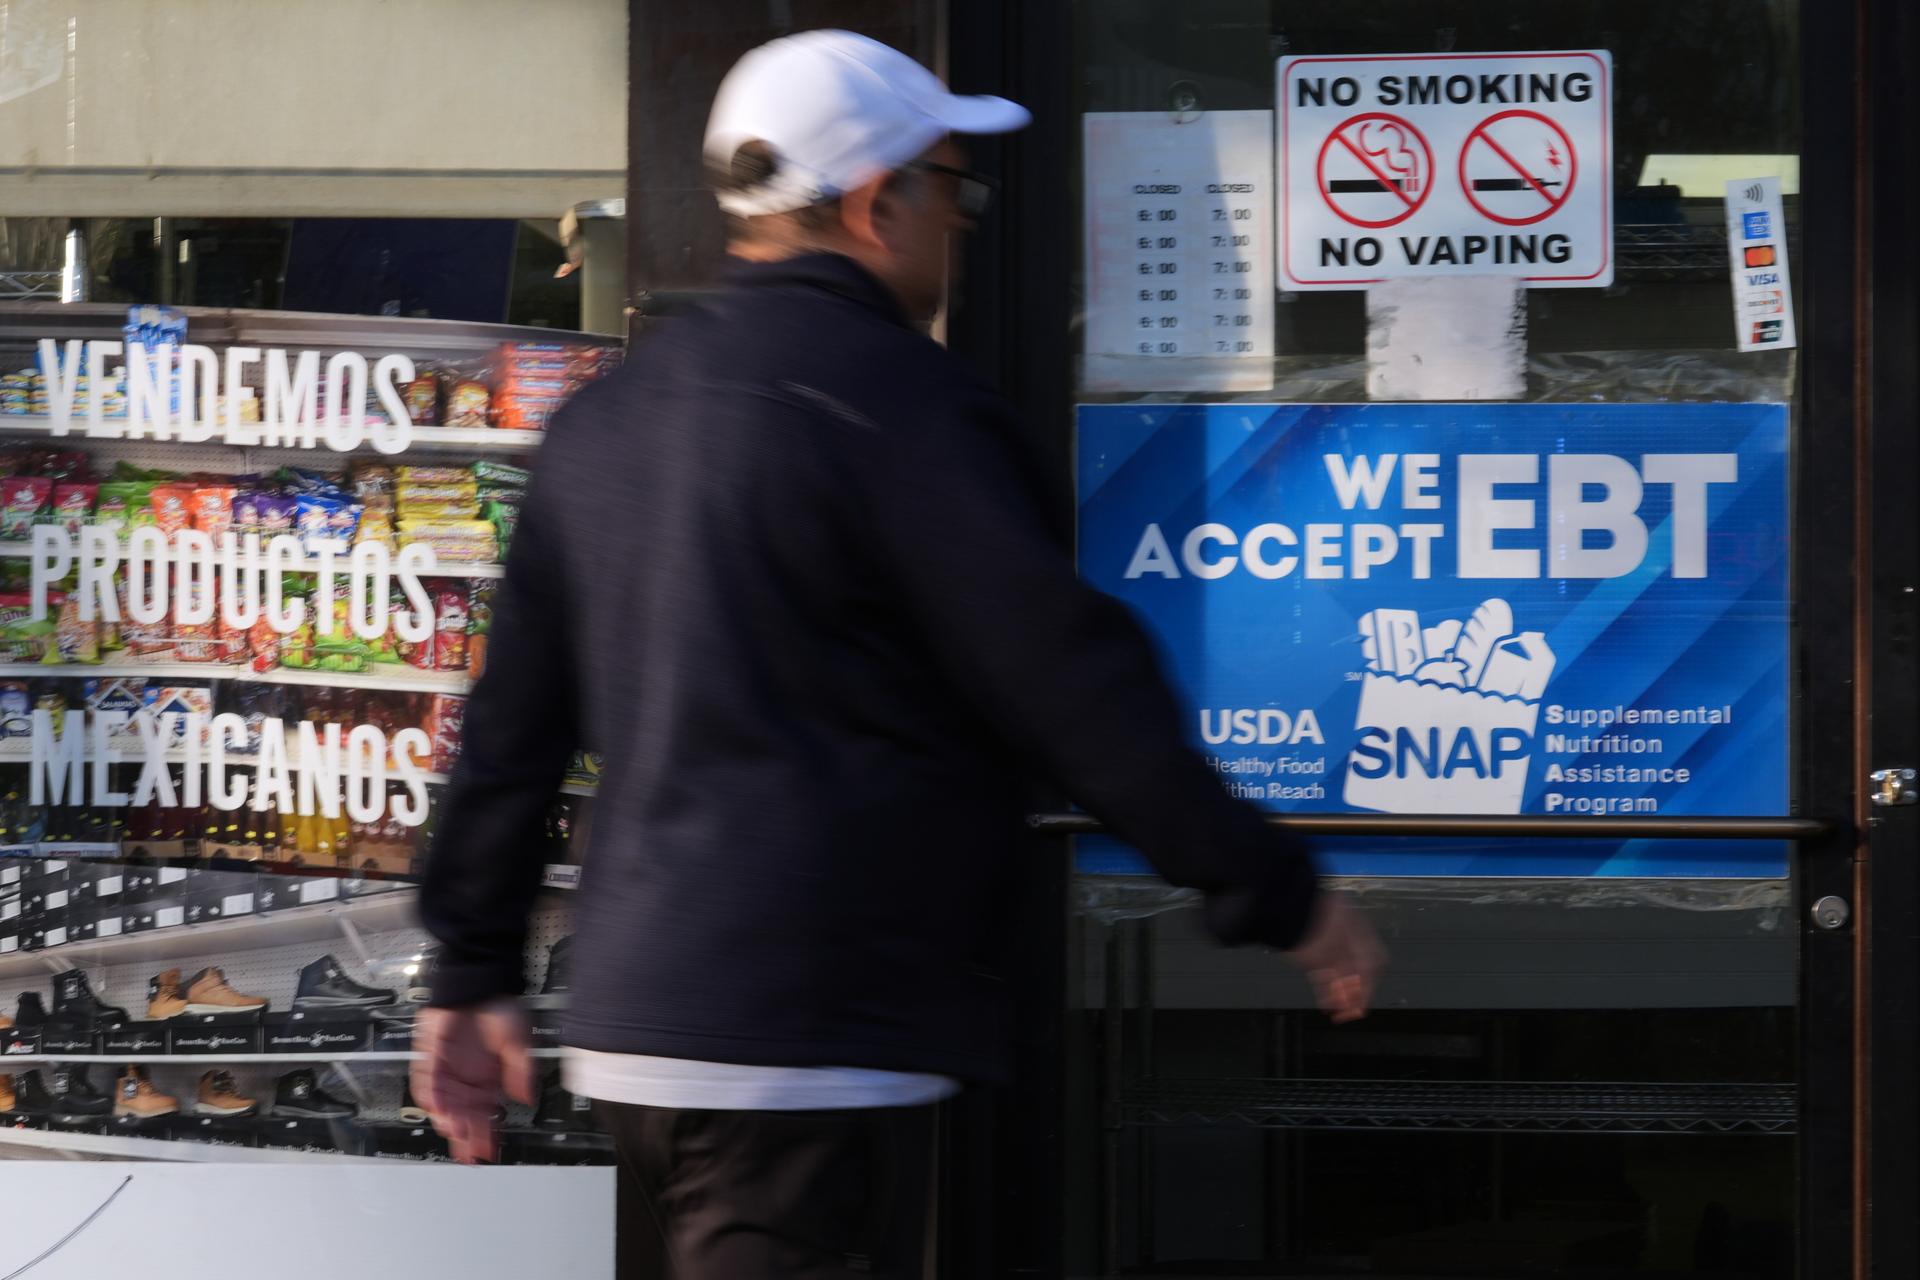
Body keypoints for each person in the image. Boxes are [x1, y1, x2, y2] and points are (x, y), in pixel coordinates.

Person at [413, 28, 1385, 1278]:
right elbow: (1075, 688)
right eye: (955, 189)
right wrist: (1277, 889)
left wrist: (472, 968)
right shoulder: (906, 410)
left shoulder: (607, 422)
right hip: (804, 1039)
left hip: (639, 1031)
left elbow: (511, 728)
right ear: (880, 204)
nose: (965, 224)